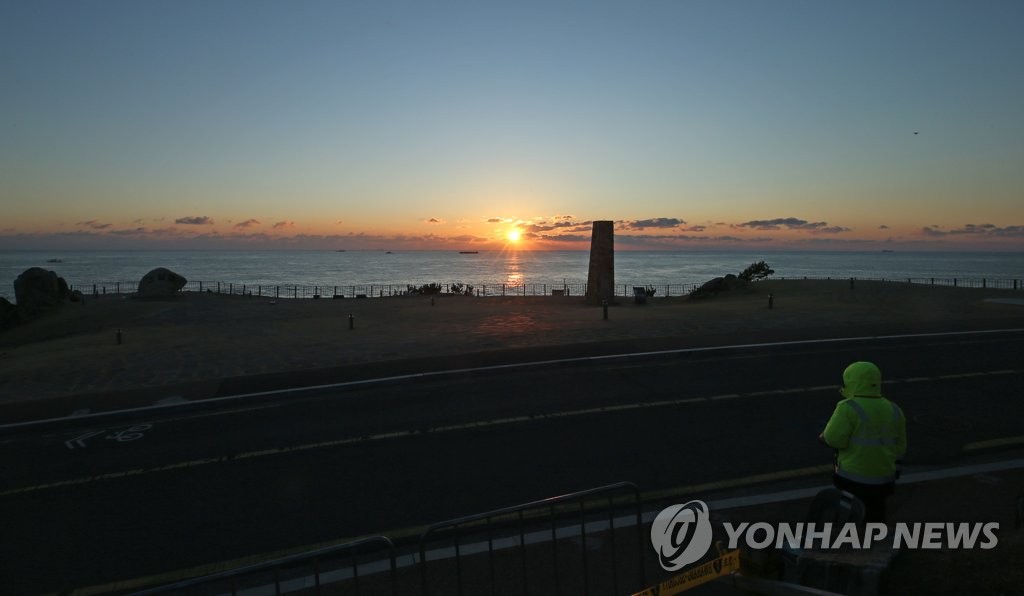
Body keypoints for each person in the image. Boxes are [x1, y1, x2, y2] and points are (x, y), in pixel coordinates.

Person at [819, 361, 907, 523]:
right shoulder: (894, 409)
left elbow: (833, 439)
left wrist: (823, 437)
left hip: (852, 477)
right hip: (884, 478)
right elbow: (900, 447)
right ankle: (875, 541)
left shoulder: (848, 407)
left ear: (851, 382)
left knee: (849, 513)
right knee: (876, 512)